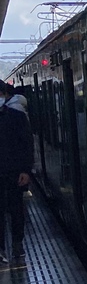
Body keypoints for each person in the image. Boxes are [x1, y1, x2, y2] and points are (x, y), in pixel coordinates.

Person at [0, 82, 34, 265]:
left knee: (16, 209)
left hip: (14, 172)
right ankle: (2, 248)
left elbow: (27, 145)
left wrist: (25, 170)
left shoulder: (17, 116)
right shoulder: (17, 115)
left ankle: (17, 244)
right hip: (10, 170)